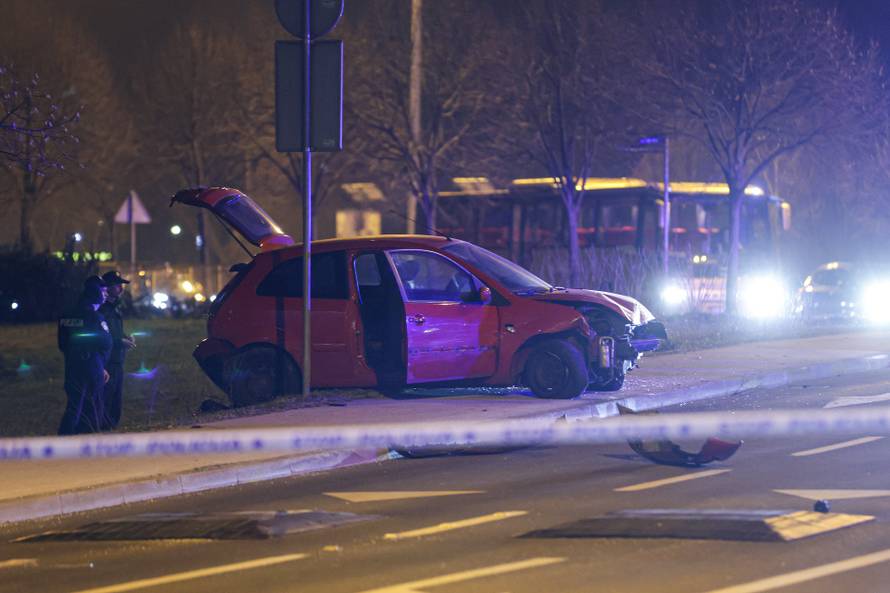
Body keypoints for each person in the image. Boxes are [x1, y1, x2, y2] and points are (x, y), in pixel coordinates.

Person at [57, 279, 112, 435]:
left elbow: (63, 344)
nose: (105, 294)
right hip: (92, 367)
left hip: (72, 367)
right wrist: (100, 365)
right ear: (95, 294)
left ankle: (63, 442)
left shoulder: (66, 316)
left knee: (73, 407)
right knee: (93, 407)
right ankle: (89, 446)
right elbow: (106, 341)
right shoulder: (95, 318)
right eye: (103, 291)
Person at [99, 270, 135, 429]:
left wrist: (126, 338)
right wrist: (120, 342)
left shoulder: (114, 308)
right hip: (108, 361)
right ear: (107, 288)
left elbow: (115, 331)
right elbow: (101, 335)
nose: (121, 288)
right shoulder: (102, 310)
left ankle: (111, 428)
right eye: (117, 285)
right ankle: (104, 428)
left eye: (121, 285)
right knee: (106, 397)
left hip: (117, 360)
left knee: (116, 398)